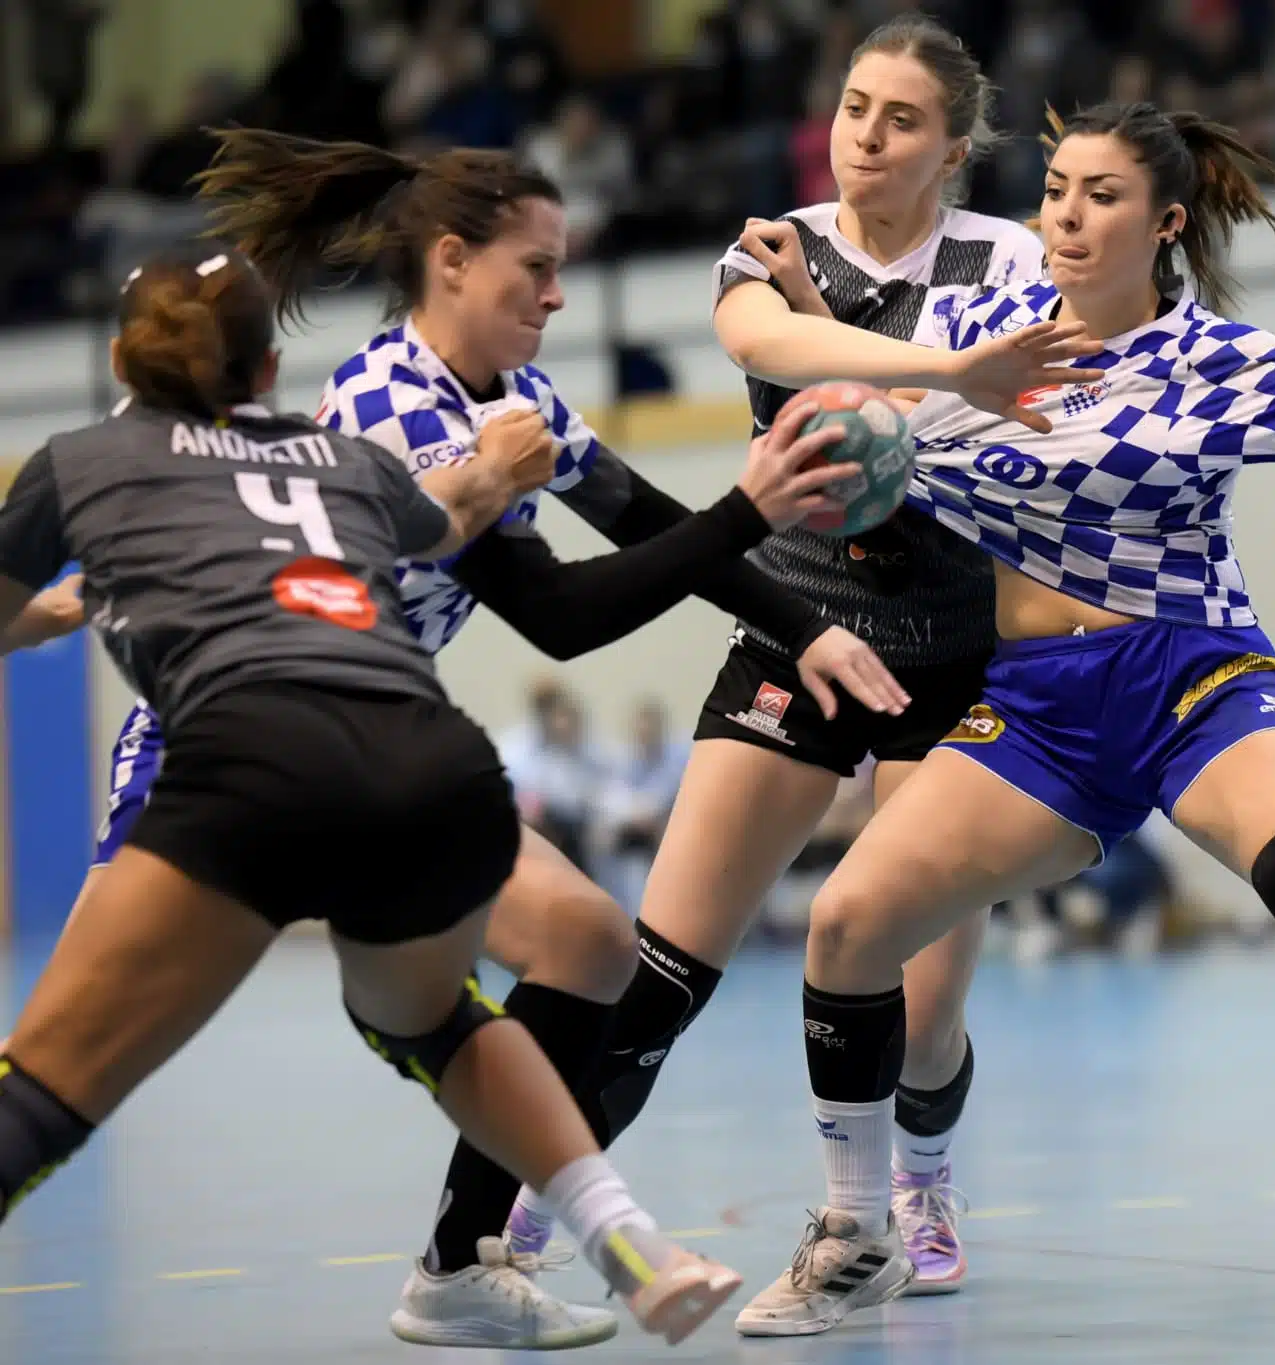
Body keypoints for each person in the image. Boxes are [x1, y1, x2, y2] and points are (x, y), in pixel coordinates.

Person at [726, 100, 1275, 1342]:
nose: (1065, 217)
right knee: (848, 927)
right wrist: (815, 313)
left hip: (1193, 677)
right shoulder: (973, 333)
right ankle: (858, 1235)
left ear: (1167, 222)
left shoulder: (1213, 359)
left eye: (1100, 196)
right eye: (1054, 191)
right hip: (1036, 709)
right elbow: (866, 395)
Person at [48, 131, 910, 1352]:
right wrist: (748, 509)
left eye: (562, 270)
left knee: (587, 942)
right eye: (535, 269)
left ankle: (459, 1267)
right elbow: (557, 616)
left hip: (378, 755)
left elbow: (641, 516)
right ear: (451, 261)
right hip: (216, 755)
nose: (556, 297)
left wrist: (802, 626)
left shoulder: (516, 398)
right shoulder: (398, 411)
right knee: (77, 1060)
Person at [0, 241, 739, 1348]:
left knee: (50, 1081)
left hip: (240, 762)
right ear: (268, 374)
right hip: (425, 762)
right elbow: (451, 514)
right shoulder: (344, 458)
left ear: (119, 363)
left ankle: (487, 1260)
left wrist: (56, 611)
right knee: (441, 1020)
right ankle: (618, 1228)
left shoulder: (78, 461)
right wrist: (500, 462)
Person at [493, 14, 1098, 1301]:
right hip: (798, 630)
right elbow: (767, 349)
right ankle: (538, 1213)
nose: (865, 136)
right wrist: (949, 368)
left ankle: (919, 1186)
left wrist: (953, 382)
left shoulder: (1005, 259)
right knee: (658, 971)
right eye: (855, 107)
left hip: (956, 666)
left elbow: (987, 422)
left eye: (901, 120)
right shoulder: (774, 247)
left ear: (953, 149)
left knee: (920, 1016)